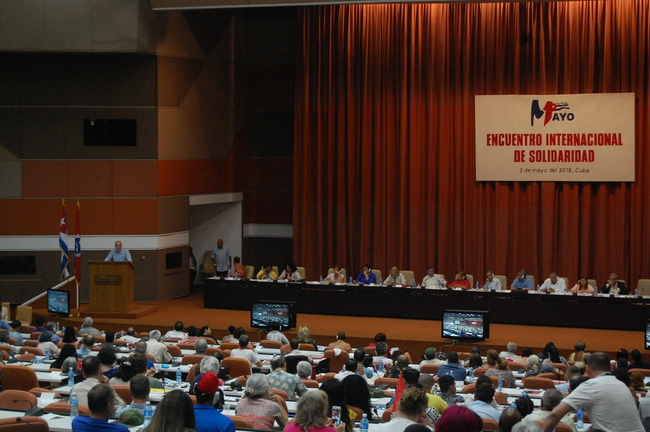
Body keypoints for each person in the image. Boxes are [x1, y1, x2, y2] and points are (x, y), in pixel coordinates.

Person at [542, 352, 644, 432]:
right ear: (611, 368)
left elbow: (555, 414)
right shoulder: (622, 385)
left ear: (588, 369)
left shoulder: (592, 385)